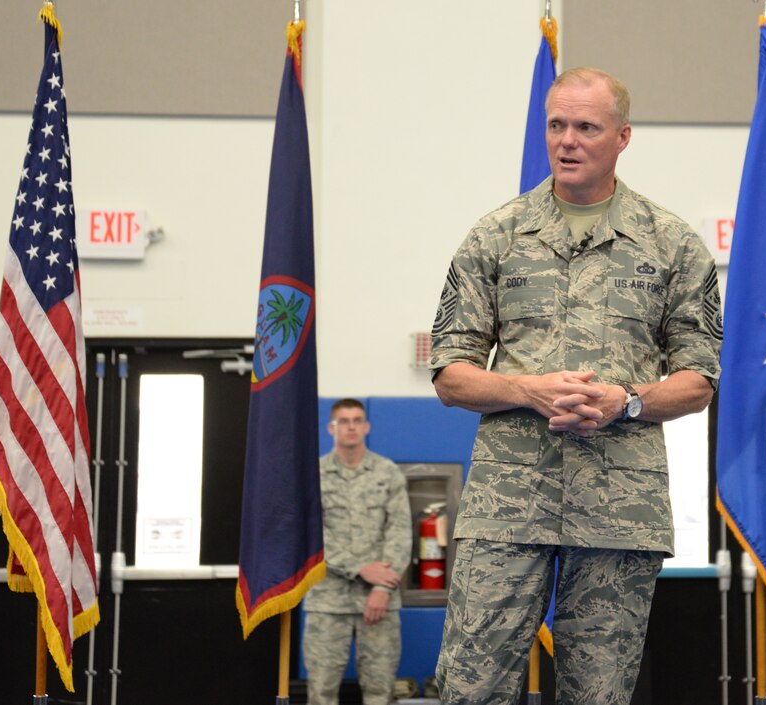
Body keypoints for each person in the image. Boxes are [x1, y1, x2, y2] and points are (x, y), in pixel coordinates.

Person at [429, 67, 723, 705]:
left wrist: (629, 401)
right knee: (471, 689)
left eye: (586, 127)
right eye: (556, 125)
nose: (567, 141)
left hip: (620, 507)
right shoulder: (495, 236)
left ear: (621, 137)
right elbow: (450, 374)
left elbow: (699, 380)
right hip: (508, 504)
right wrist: (528, 390)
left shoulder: (672, 244)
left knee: (599, 695)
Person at [303, 398, 412, 705]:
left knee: (380, 692)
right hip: (327, 601)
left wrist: (381, 587)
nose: (350, 427)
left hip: (378, 601)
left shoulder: (387, 472)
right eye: (343, 421)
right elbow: (312, 536)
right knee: (321, 693)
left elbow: (400, 531)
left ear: (366, 427)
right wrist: (359, 567)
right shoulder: (314, 475)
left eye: (356, 420)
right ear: (331, 428)